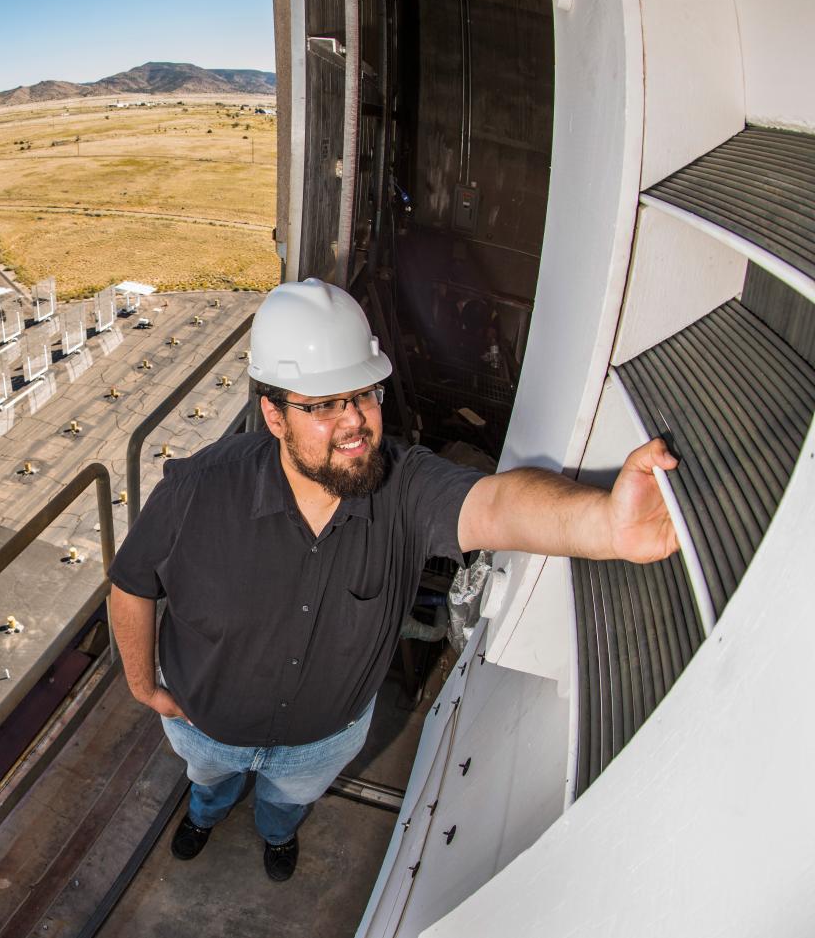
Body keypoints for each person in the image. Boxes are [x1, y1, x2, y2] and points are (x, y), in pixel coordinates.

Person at [108, 279, 678, 882]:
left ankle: (277, 835)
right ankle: (204, 815)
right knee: (208, 785)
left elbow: (495, 506)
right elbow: (132, 583)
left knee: (287, 803)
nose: (354, 421)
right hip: (206, 729)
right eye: (323, 404)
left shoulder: (406, 489)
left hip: (322, 743)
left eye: (364, 395)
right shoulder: (198, 490)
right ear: (274, 415)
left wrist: (604, 524)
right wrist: (145, 687)